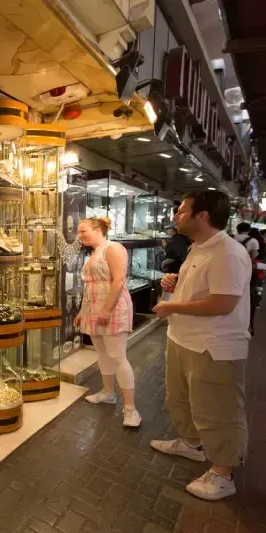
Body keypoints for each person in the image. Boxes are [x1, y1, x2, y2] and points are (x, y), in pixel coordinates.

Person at [151, 191, 250, 501]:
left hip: (213, 346)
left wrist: (173, 308)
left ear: (202, 216)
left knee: (217, 410)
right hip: (183, 340)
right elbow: (201, 290)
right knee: (180, 399)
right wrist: (174, 283)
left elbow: (222, 304)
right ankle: (192, 444)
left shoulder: (228, 253)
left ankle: (223, 474)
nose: (175, 217)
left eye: (181, 211)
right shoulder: (199, 248)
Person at [74, 217, 141, 428]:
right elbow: (91, 286)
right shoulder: (94, 252)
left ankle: (131, 409)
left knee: (117, 356)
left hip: (111, 307)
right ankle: (108, 392)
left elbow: (119, 280)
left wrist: (107, 309)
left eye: (83, 231)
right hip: (94, 307)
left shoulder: (113, 247)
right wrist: (82, 311)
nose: (80, 235)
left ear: (97, 229)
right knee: (102, 353)